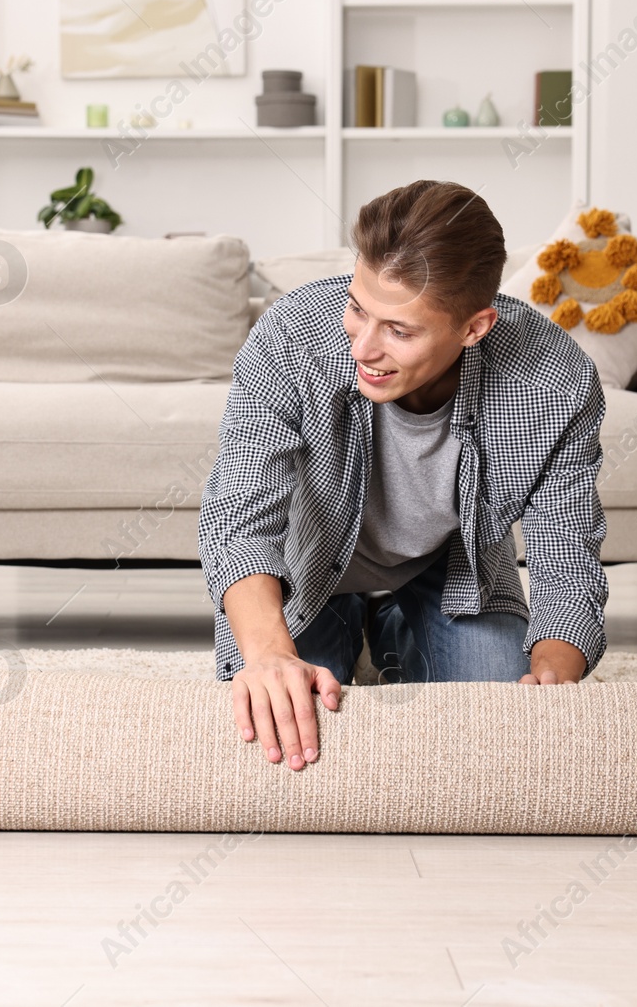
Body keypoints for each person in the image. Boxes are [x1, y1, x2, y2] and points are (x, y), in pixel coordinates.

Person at [198, 180, 608, 772]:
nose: (363, 346)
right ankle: (345, 619)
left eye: (399, 330)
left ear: (474, 328)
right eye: (358, 308)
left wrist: (550, 672)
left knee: (499, 722)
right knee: (281, 718)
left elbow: (566, 549)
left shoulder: (554, 379)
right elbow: (237, 516)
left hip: (452, 569)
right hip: (304, 568)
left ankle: (391, 626)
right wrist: (266, 654)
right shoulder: (289, 338)